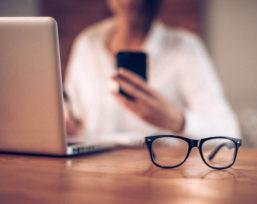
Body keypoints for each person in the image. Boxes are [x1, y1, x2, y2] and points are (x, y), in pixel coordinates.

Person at [64, 0, 240, 144]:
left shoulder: (185, 48)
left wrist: (176, 120)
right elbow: (70, 109)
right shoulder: (87, 43)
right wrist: (65, 124)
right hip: (92, 168)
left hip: (158, 169)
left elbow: (229, 133)